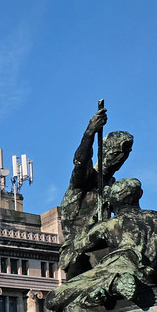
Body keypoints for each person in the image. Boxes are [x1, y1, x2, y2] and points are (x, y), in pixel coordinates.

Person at [47, 178, 157, 312]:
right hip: (151, 270)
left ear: (112, 201)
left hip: (119, 266)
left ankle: (114, 284)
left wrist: (94, 220)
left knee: (54, 299)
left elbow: (75, 249)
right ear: (139, 194)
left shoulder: (109, 224)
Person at [56, 107, 133, 279]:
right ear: (103, 151)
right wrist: (89, 133)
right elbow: (80, 161)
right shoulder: (86, 179)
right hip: (79, 251)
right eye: (116, 152)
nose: (120, 158)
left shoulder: (113, 186)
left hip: (104, 244)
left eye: (125, 154)